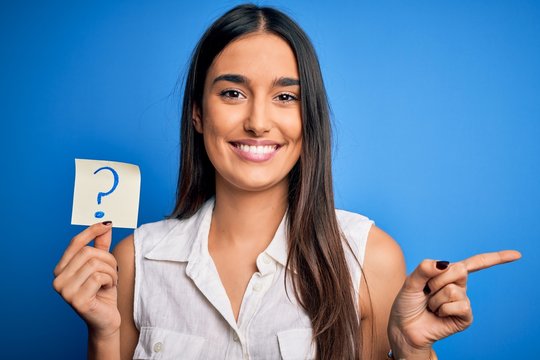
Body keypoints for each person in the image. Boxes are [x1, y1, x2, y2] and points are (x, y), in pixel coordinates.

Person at [52, 4, 521, 360]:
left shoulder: (370, 258)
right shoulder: (135, 261)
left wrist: (413, 350)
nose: (258, 122)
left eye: (284, 96)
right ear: (197, 113)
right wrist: (103, 334)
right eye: (233, 93)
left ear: (309, 117)